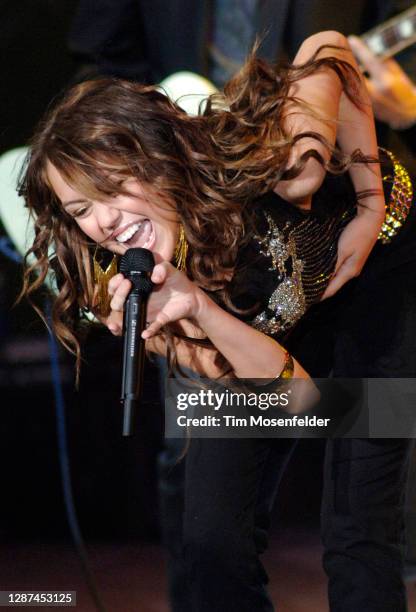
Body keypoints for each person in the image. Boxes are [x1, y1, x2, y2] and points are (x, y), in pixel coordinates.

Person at [19, 30, 414, 611]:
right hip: (271, 335)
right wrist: (197, 310)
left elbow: (330, 49)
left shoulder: (274, 163)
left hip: (376, 269)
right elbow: (302, 404)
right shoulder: (123, 292)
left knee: (360, 528)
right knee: (207, 538)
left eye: (111, 186)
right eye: (81, 210)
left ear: (152, 158)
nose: (103, 221)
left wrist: (371, 198)